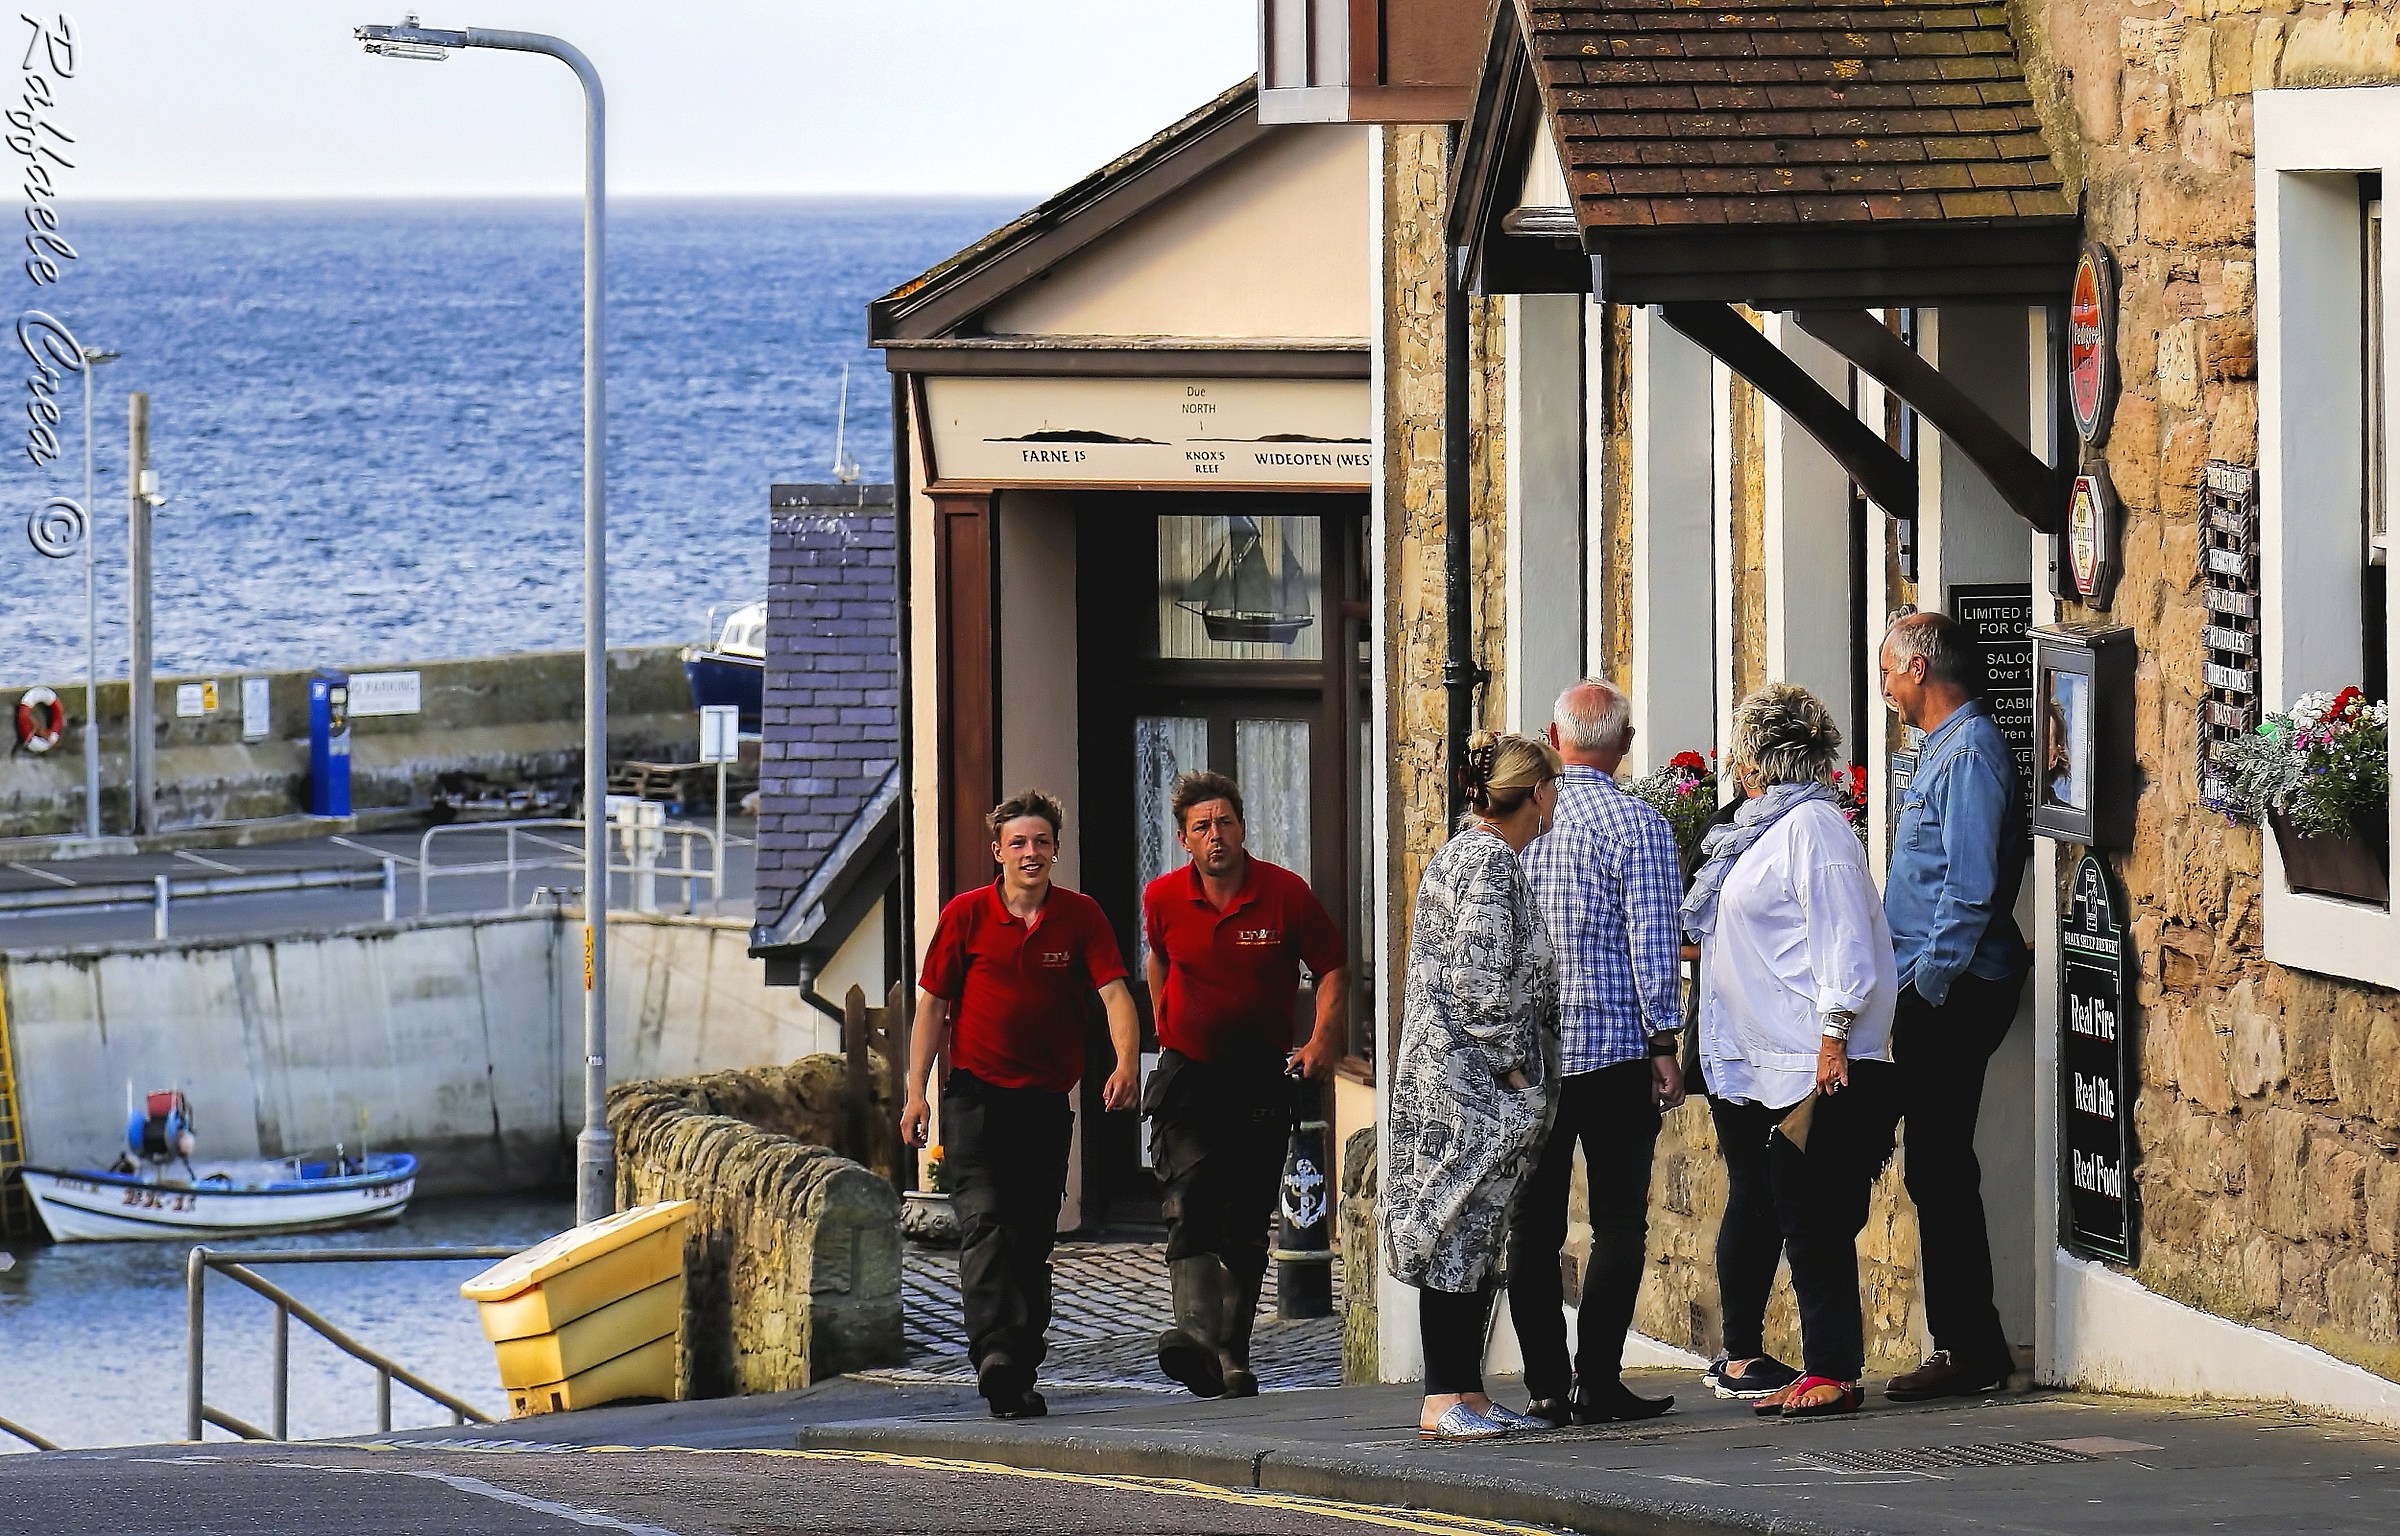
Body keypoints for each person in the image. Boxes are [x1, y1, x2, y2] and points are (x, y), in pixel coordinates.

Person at [1685, 685, 1899, 1419]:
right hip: (1765, 1061)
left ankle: (1833, 1370)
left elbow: (1844, 942)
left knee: (1813, 1222)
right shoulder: (1758, 830)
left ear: (1754, 764)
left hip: (1813, 1063)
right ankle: (1821, 1367)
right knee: (1796, 1213)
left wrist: (1833, 1038)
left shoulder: (1814, 830)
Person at [900, 789, 1143, 1420]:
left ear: (1056, 850)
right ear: (998, 853)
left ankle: (1022, 1358)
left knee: (1032, 1236)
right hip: (974, 1098)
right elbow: (931, 1007)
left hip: (1042, 1103)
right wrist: (914, 1093)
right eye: (1018, 843)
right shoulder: (966, 916)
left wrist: (1123, 1064)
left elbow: (1116, 996)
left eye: (1040, 842)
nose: (1030, 853)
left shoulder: (1080, 918)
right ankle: (994, 1354)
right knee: (984, 1225)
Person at [1508, 681, 1683, 1426]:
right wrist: (1665, 1041)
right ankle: (1597, 1379)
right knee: (1618, 1221)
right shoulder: (1639, 825)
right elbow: (1653, 944)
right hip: (1614, 1052)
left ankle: (1546, 1384)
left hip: (1533, 1059)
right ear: (1625, 743)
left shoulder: (1518, 824)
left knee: (1534, 1227)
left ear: (1553, 734)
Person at [1142, 769, 1349, 1399]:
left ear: (1242, 828)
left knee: (1245, 1219)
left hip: (1260, 1075)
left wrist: (1320, 1041)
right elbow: (1157, 958)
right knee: (1188, 1199)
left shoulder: (1284, 894)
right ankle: (1197, 1340)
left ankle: (1231, 1351)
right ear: (1184, 839)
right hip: (1187, 1074)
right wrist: (1162, 1020)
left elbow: (1334, 965)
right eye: (1202, 827)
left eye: (1225, 822)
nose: (1216, 836)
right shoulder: (1163, 898)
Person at [1384, 731, 1564, 1442]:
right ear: (1538, 795)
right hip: (1470, 1091)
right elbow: (1477, 983)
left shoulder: (1473, 854)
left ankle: (1467, 1392)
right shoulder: (1488, 862)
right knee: (1457, 1232)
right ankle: (1441, 1397)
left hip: (1461, 1082)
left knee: (1471, 1235)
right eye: (1552, 789)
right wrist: (1517, 1068)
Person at [1878, 610, 2030, 1401]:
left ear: (1919, 670)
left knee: (1938, 1170)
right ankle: (1969, 1345)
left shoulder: (1968, 754)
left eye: (1887, 671)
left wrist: (1925, 991)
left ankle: (1970, 1351)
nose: (1883, 687)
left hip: (1956, 988)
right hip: (1933, 985)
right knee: (1934, 1170)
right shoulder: (1940, 750)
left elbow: (1969, 892)